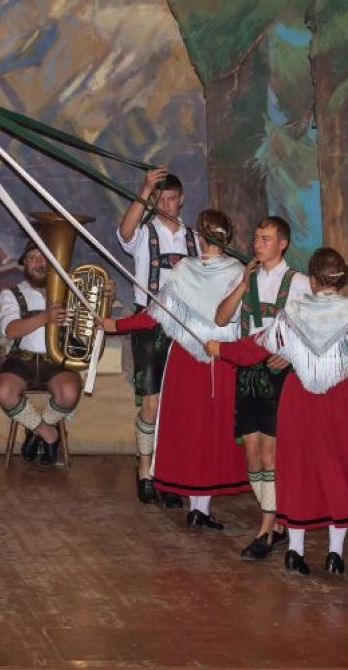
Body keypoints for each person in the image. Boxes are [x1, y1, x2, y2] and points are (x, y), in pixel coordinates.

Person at [104, 210, 249, 527]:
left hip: (187, 360)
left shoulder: (185, 270)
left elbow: (152, 315)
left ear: (199, 237)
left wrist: (114, 325)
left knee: (191, 431)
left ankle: (199, 508)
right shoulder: (238, 271)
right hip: (220, 360)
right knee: (211, 433)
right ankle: (200, 507)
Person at [208, 247, 348, 576]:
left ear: (312, 280)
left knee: (296, 470)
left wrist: (219, 348)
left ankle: (295, 552)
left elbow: (257, 345)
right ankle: (335, 554)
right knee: (338, 469)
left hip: (299, 399)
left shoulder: (293, 312)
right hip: (339, 400)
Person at [214, 216, 311, 560]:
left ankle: (266, 530)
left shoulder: (298, 282)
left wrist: (289, 354)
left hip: (278, 376)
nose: (258, 244)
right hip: (246, 374)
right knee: (252, 456)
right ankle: (278, 517)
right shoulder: (245, 278)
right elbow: (221, 318)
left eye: (266, 238)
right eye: (256, 238)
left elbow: (313, 328)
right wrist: (242, 285)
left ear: (282, 243)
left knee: (271, 455)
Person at [117, 167, 199, 506]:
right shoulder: (143, 232)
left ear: (181, 200)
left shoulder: (195, 238)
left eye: (171, 198)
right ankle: (146, 469)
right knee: (151, 402)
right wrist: (144, 189)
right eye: (159, 198)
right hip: (149, 324)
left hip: (186, 327)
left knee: (175, 403)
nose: (166, 203)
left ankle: (170, 473)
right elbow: (123, 232)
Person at [0, 238, 82, 467]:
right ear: (25, 264)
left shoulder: (70, 291)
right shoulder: (11, 294)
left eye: (43, 257)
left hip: (57, 360)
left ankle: (35, 431)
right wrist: (45, 317)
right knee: (3, 391)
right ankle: (49, 433)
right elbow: (10, 330)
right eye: (32, 258)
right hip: (22, 360)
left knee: (70, 391)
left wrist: (105, 296)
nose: (38, 262)